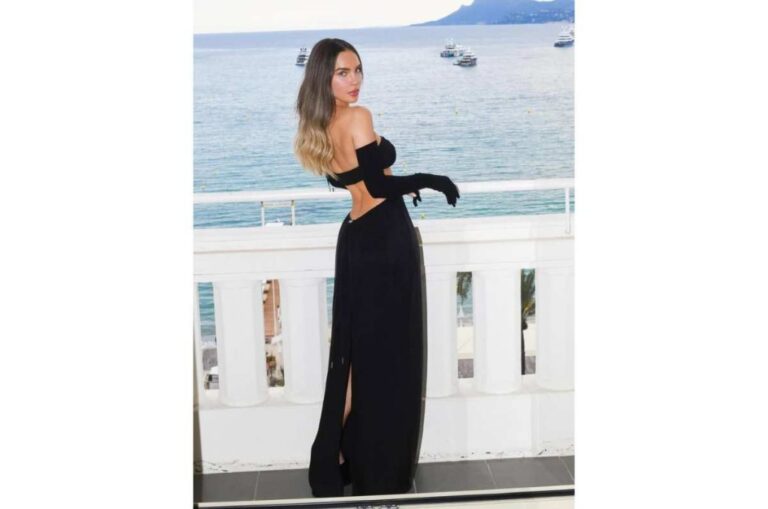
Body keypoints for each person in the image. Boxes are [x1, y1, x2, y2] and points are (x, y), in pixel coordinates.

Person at [293, 37, 460, 498]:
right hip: (385, 239)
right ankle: (379, 469)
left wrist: (398, 183)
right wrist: (432, 179)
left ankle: (333, 456)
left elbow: (352, 182)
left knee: (354, 353)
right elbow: (379, 187)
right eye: (343, 73)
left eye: (358, 70)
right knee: (390, 357)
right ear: (324, 77)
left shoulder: (319, 126)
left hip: (355, 237)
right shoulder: (357, 118)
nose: (355, 81)